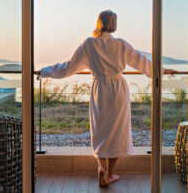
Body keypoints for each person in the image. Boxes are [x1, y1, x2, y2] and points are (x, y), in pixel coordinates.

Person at [38, 10, 177, 187]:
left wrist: (45, 71)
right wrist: (163, 70)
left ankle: (101, 167)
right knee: (118, 132)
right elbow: (142, 62)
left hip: (100, 90)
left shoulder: (88, 44)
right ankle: (109, 173)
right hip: (118, 89)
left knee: (101, 130)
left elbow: (68, 67)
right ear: (113, 24)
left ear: (99, 22)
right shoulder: (120, 44)